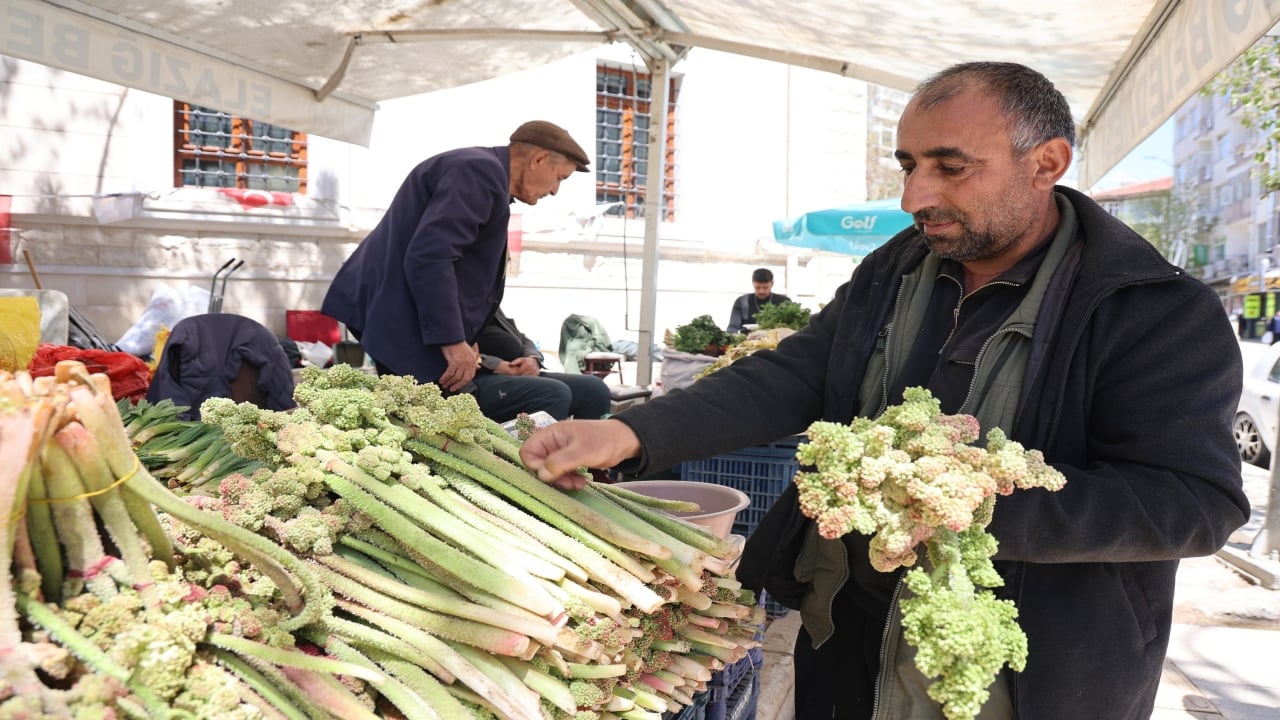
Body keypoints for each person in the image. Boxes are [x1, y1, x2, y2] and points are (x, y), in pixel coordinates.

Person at [518, 62, 1249, 720]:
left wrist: (972, 505)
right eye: (907, 165)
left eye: (950, 167)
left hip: (1025, 682)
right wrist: (636, 433)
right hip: (848, 639)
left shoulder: (1152, 309)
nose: (914, 196)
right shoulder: (899, 267)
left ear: (1046, 163)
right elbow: (799, 371)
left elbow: (1195, 503)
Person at [321, 120, 589, 393]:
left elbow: (453, 262)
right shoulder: (479, 171)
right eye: (560, 177)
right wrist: (452, 341)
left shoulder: (482, 170)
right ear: (539, 159)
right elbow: (431, 257)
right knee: (424, 418)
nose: (556, 190)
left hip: (399, 310)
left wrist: (465, 336)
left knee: (424, 415)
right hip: (395, 311)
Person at [471, 306, 612, 422]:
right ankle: (528, 455)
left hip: (517, 372)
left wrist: (532, 358)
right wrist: (494, 364)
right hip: (475, 377)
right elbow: (454, 350)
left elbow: (521, 337)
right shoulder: (456, 299)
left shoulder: (488, 301)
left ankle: (588, 454)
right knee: (553, 393)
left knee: (593, 388)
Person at [725, 268, 790, 334]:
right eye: (757, 287)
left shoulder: (784, 302)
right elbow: (732, 328)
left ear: (772, 284)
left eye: (765, 287)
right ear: (753, 283)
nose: (761, 291)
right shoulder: (742, 302)